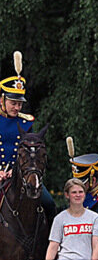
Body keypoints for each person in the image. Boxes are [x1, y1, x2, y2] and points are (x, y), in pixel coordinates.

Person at [0, 51, 56, 220]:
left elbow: (31, 154)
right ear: (1, 100)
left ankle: (52, 243)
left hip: (19, 176)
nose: (17, 107)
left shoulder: (26, 123)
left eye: (19, 104)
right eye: (13, 103)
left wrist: (17, 171)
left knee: (48, 203)